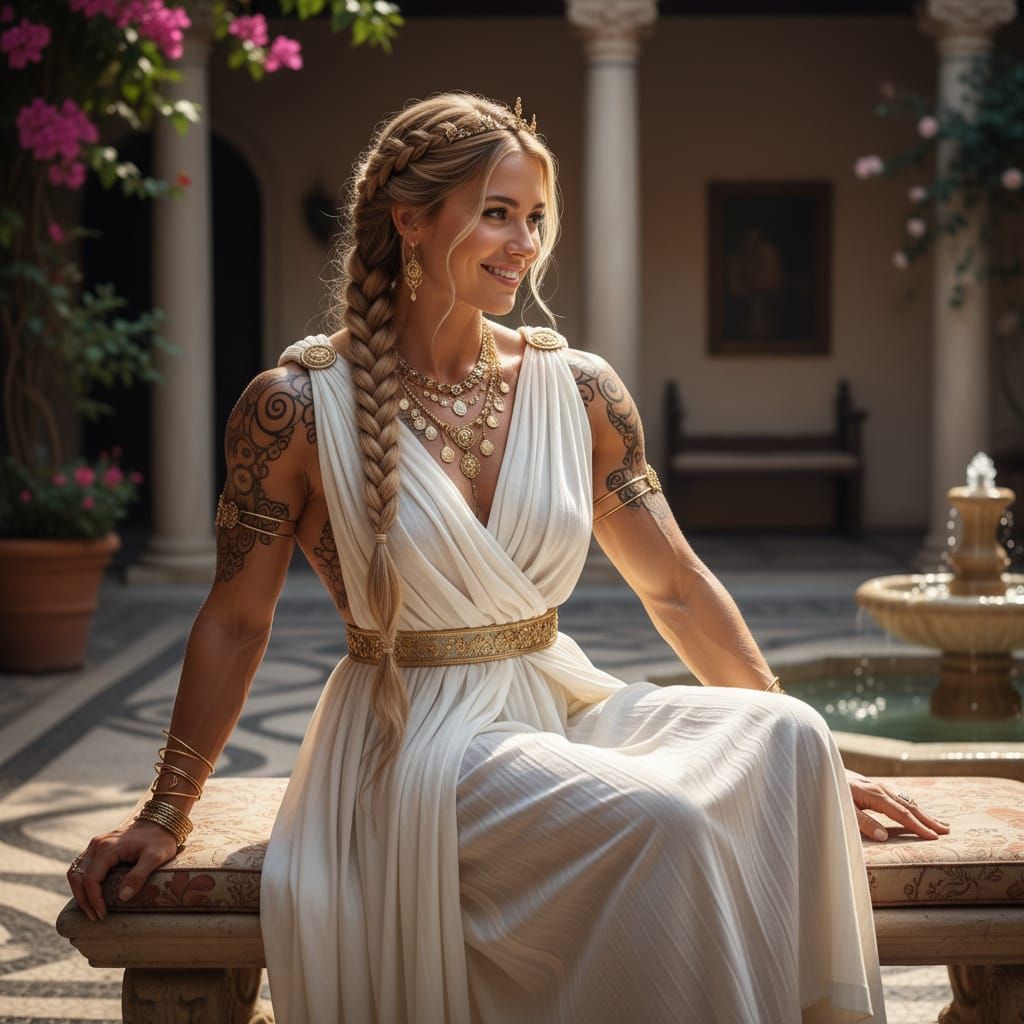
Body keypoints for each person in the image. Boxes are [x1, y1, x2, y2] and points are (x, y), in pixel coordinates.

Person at [66, 92, 948, 1023]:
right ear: (410, 220)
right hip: (414, 742)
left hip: (552, 701)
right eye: (496, 213)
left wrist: (815, 778)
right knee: (665, 822)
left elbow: (678, 587)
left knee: (795, 739)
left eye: (534, 217)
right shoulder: (292, 407)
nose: (524, 243)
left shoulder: (580, 388)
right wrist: (165, 812)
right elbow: (239, 619)